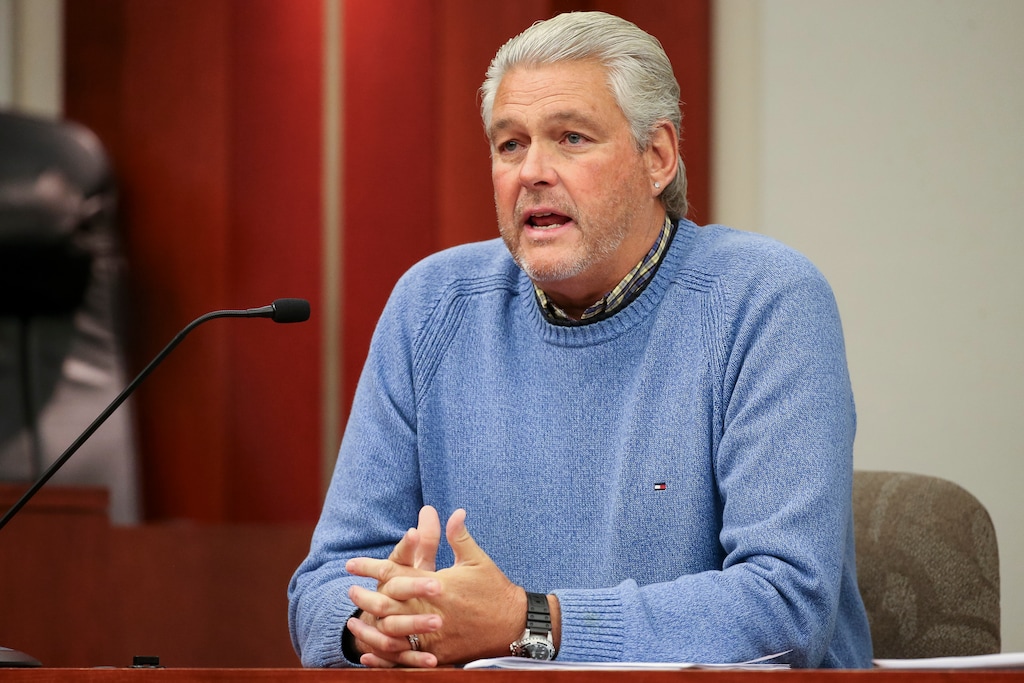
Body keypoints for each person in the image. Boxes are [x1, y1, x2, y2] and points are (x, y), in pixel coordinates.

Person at [288, 11, 873, 669]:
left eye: (571, 138)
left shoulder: (763, 300)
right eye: (510, 144)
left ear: (657, 157)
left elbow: (786, 606)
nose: (532, 171)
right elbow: (323, 584)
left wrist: (529, 622)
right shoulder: (432, 306)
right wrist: (372, 625)